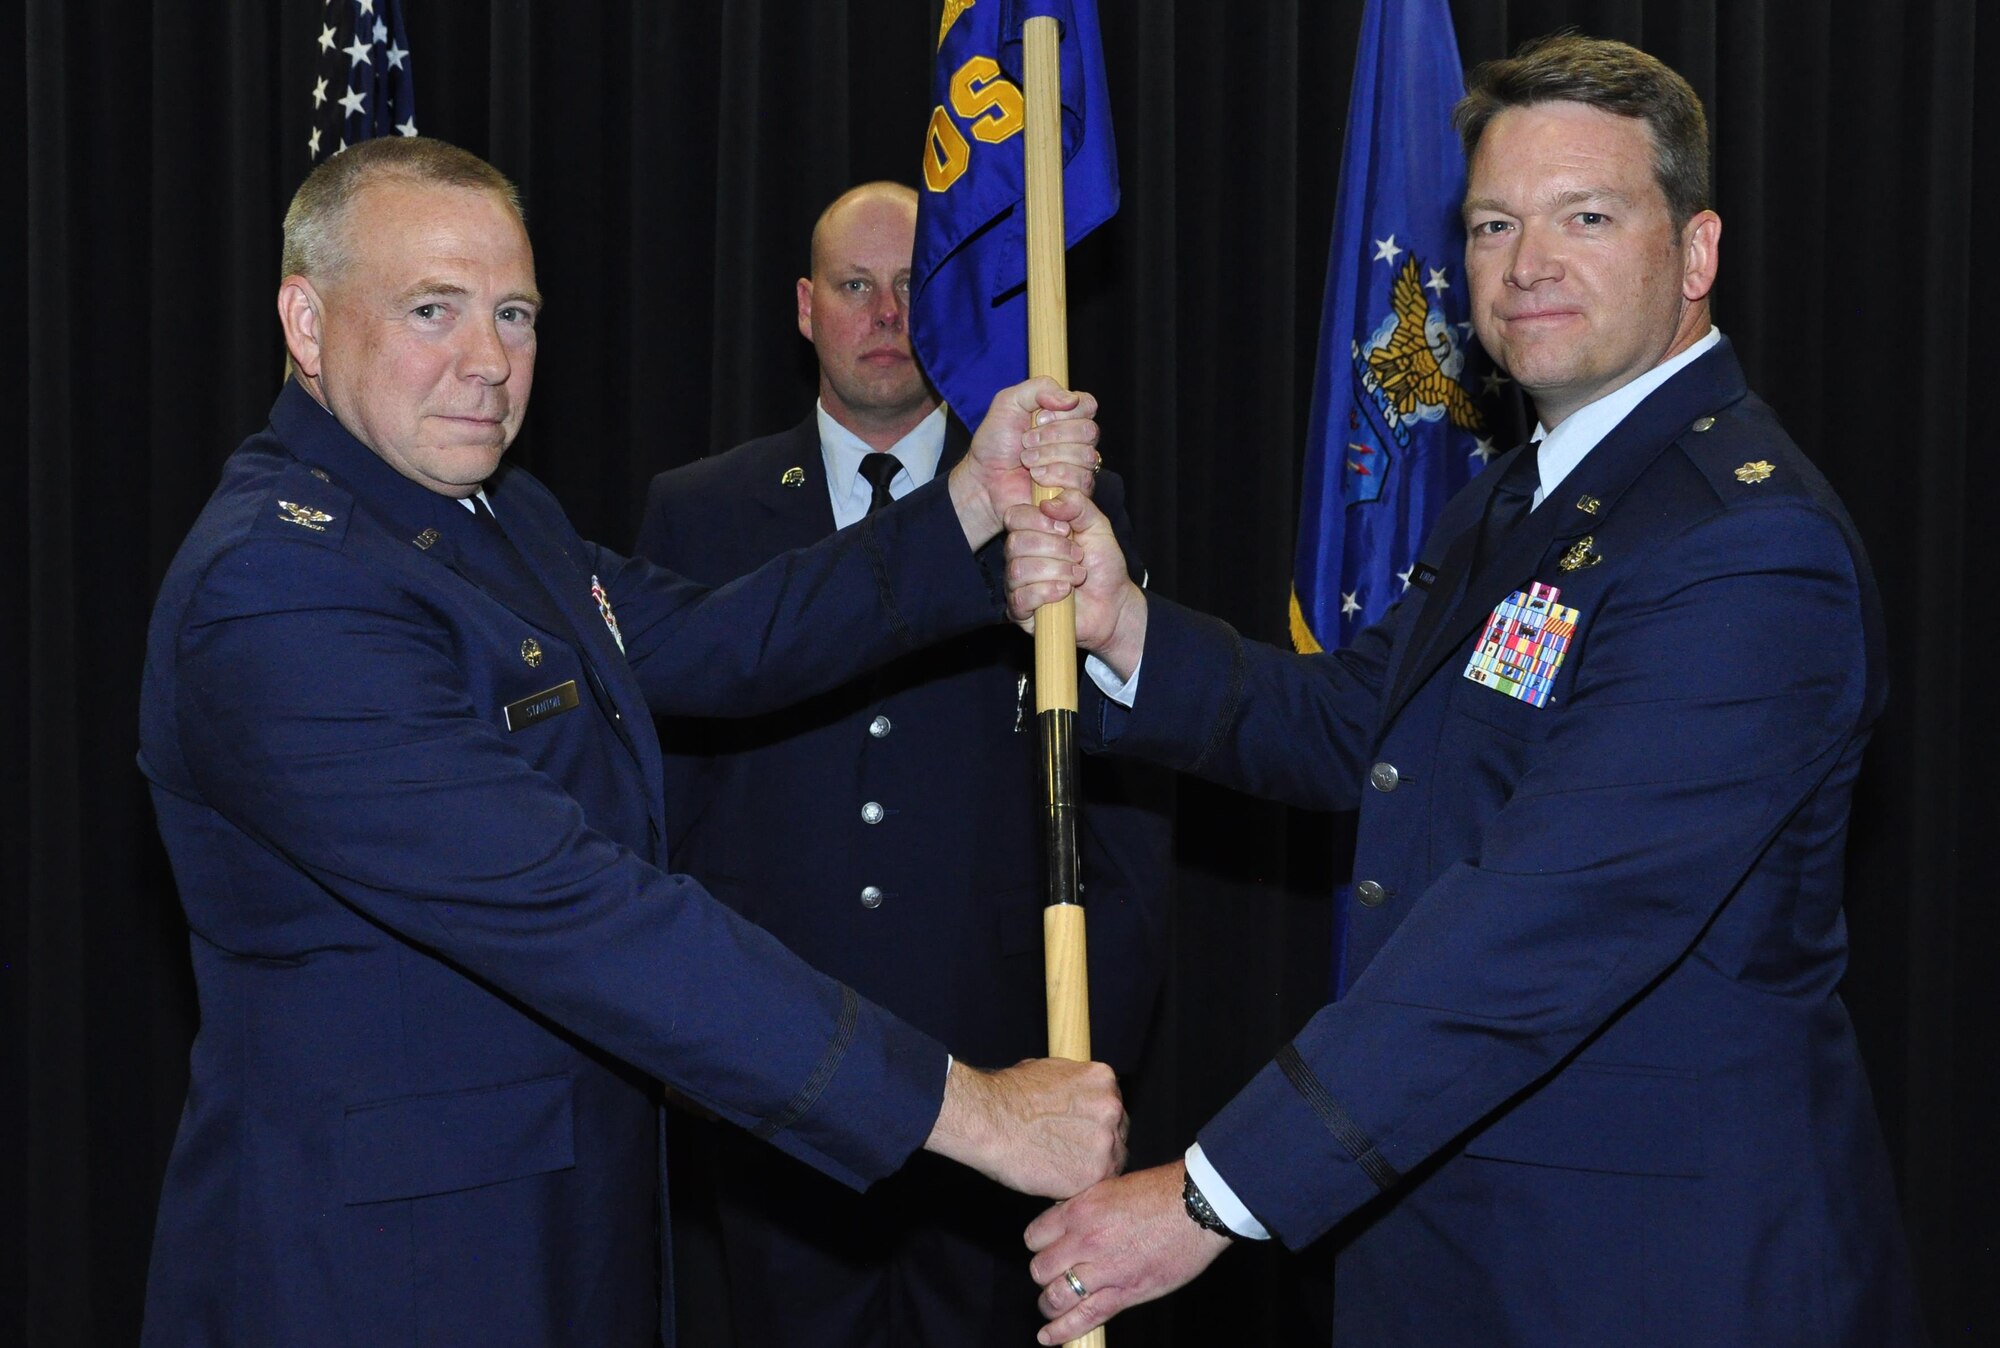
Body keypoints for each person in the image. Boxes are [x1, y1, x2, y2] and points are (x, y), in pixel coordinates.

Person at [1005, 34, 1925, 1348]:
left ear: (1699, 252)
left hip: (1656, 1280)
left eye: (1586, 217)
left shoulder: (1744, 549)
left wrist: (1211, 1196)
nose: (1527, 263)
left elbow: (1542, 925)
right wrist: (1121, 620)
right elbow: (1357, 731)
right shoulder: (1518, 492)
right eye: (1495, 222)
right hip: (1457, 1247)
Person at [135, 136, 1126, 1347]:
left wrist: (975, 497)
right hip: (383, 1273)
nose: (489, 363)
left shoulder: (489, 517)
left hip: (563, 1228)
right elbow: (579, 909)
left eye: (515, 314)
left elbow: (713, 636)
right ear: (305, 319)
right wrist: (971, 1111)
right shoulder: (279, 588)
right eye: (432, 310)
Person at [634, 182, 1169, 1348]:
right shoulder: (700, 510)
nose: (883, 314)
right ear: (802, 307)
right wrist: (675, 1028)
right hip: (771, 1064)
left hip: (1002, 1059)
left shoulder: (1062, 503)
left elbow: (1119, 808)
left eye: (911, 288)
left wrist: (1088, 1045)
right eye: (852, 285)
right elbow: (664, 792)